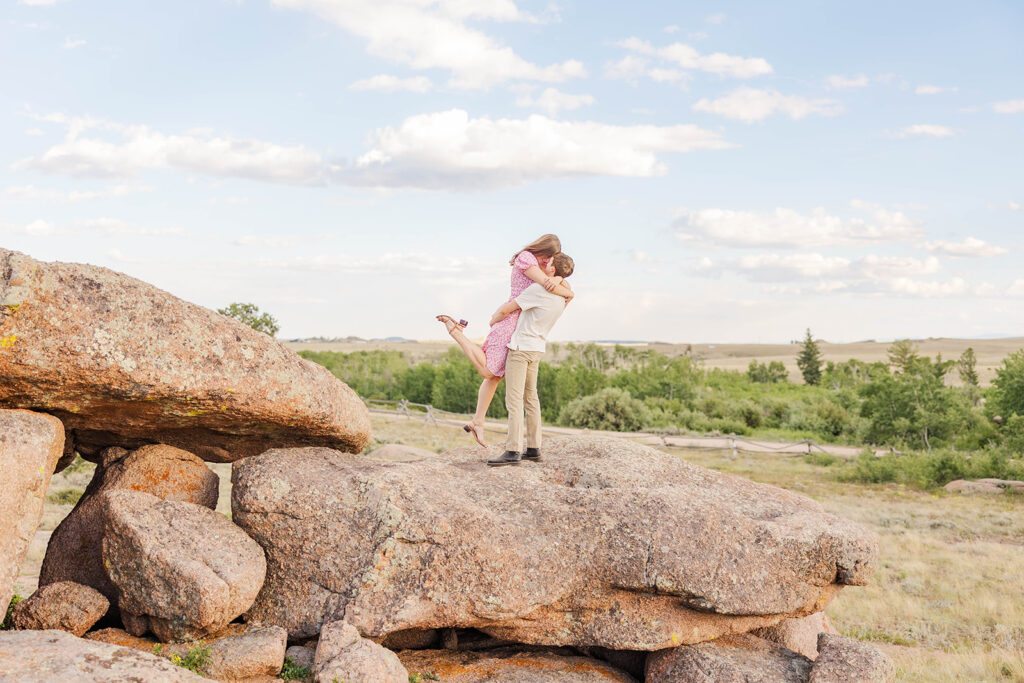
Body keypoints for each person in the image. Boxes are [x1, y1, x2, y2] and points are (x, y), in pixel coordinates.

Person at [436, 235, 573, 447]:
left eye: (550, 260)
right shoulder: (527, 258)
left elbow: (566, 290)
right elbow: (551, 285)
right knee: (488, 371)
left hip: (522, 323)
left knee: (495, 376)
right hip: (511, 319)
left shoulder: (543, 268)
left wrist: (565, 289)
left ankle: (478, 421)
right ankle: (456, 332)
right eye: (547, 257)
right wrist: (560, 286)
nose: (547, 263)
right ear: (543, 250)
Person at [487, 252, 574, 467]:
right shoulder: (562, 297)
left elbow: (508, 309)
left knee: (514, 401)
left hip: (520, 349)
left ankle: (513, 449)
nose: (544, 264)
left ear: (553, 270)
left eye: (549, 263)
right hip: (537, 349)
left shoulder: (538, 290)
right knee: (531, 399)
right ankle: (534, 448)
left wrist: (493, 321)